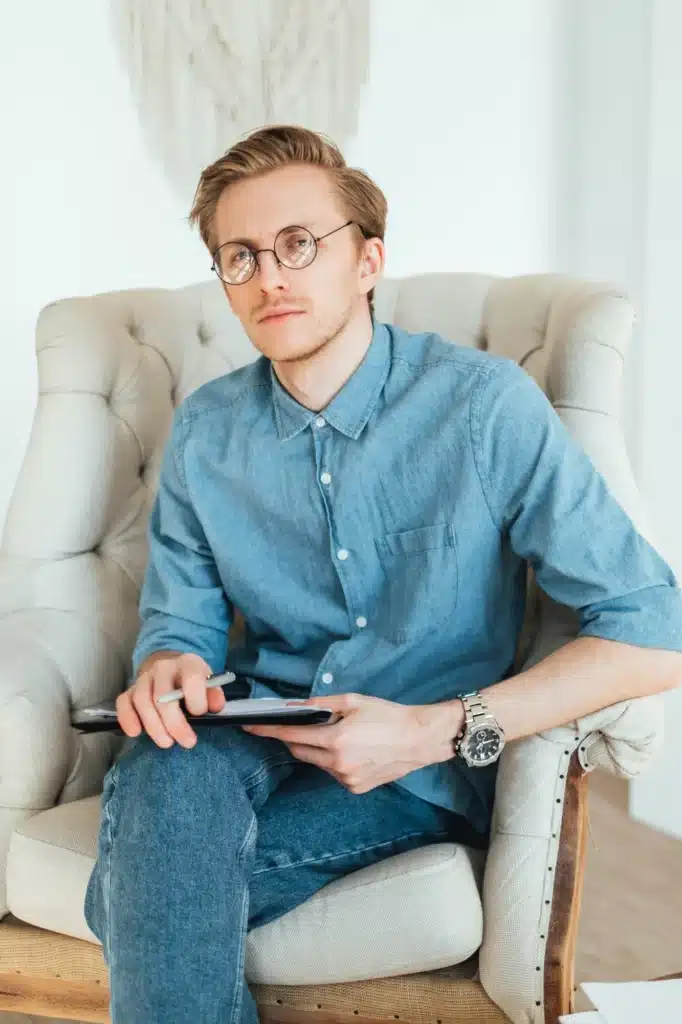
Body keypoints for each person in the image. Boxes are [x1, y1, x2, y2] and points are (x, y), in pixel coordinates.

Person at [84, 124, 682, 1023]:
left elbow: (654, 629)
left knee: (139, 894)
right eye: (239, 257)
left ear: (367, 261)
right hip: (255, 728)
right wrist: (168, 665)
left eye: (297, 244)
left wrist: (437, 730)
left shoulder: (483, 408)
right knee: (169, 770)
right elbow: (184, 626)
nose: (270, 277)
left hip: (415, 769)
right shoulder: (207, 431)